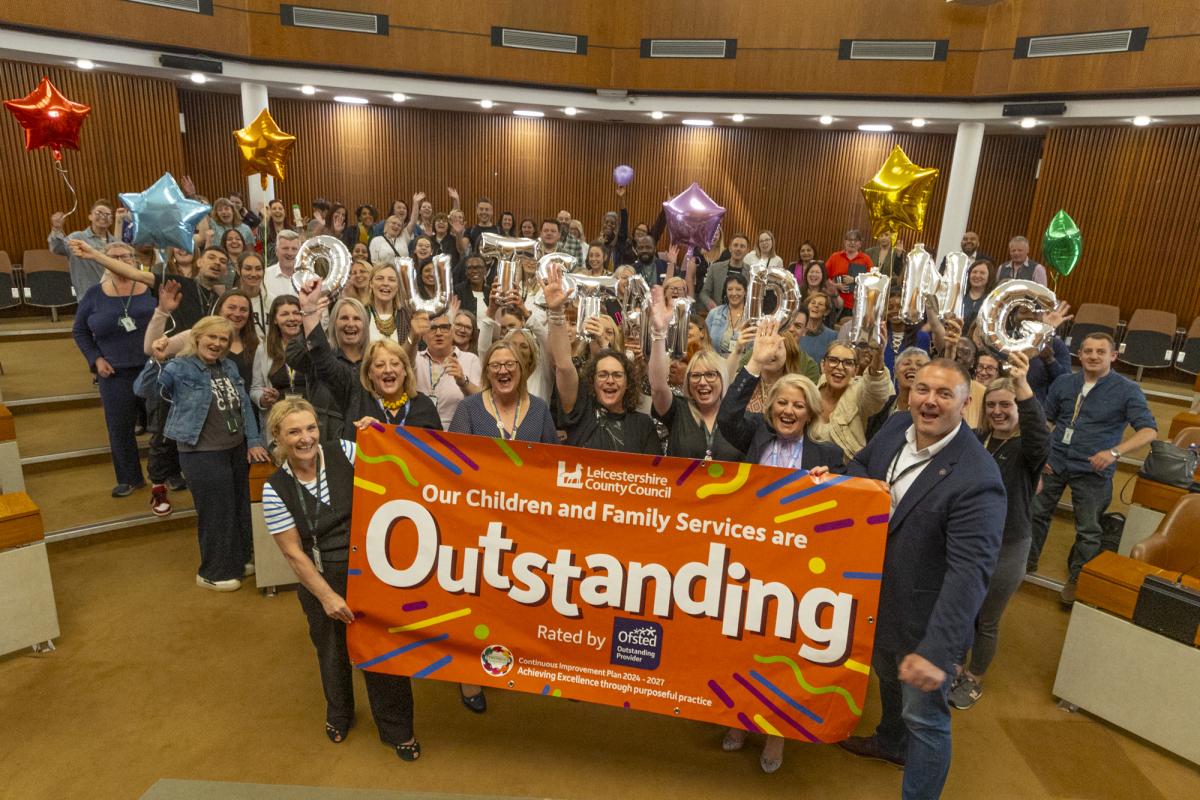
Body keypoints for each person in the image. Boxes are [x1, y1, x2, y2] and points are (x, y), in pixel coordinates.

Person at [835, 358, 1006, 799]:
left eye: (944, 394)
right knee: (888, 682)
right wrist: (839, 485)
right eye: (923, 390)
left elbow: (970, 574)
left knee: (926, 721)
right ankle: (890, 744)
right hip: (877, 602)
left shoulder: (978, 477)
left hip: (926, 625)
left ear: (966, 404)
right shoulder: (894, 427)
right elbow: (861, 467)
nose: (930, 401)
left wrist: (937, 651)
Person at [262, 398, 420, 760]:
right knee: (332, 651)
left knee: (384, 650)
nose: (306, 438)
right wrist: (327, 597)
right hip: (321, 574)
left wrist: (378, 434)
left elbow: (392, 465)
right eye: (295, 432)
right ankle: (340, 714)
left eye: (311, 428)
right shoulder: (274, 489)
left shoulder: (344, 450)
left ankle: (397, 729)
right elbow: (293, 554)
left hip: (370, 569)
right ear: (279, 438)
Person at [717, 318, 843, 773]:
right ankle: (737, 721)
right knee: (741, 646)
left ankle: (776, 736)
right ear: (771, 411)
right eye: (782, 404)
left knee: (783, 656)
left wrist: (831, 490)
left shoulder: (828, 459)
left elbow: (848, 511)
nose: (789, 411)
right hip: (748, 564)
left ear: (810, 412)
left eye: (798, 405)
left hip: (796, 575)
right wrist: (752, 364)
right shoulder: (755, 437)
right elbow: (728, 416)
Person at [950, 352, 1049, 710]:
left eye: (1006, 404)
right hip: (972, 541)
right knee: (963, 608)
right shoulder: (979, 440)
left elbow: (1040, 435)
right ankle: (956, 666)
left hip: (1009, 544)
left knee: (987, 618)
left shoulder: (1028, 449)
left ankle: (974, 678)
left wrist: (1023, 387)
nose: (997, 411)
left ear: (1018, 407)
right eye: (991, 404)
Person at [1027, 333, 1158, 601]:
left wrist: (1115, 452)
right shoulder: (1064, 382)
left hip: (1093, 469)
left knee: (1088, 529)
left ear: (1113, 356)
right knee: (1035, 514)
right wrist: (1042, 456)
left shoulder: (1127, 389)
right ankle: (1026, 563)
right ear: (1080, 354)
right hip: (1055, 461)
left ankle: (1078, 580)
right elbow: (1046, 423)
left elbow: (1149, 431)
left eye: (1100, 351)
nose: (1093, 356)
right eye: (1088, 351)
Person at [155, 316, 270, 590]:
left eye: (223, 340)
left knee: (238, 510)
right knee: (216, 513)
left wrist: (253, 440)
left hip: (235, 448)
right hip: (201, 452)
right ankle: (214, 572)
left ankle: (238, 560)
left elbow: (243, 406)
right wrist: (156, 361)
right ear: (197, 338)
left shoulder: (228, 366)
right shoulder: (180, 367)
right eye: (212, 337)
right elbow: (144, 389)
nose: (217, 344)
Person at [295, 279, 441, 438]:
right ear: (369, 372)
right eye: (379, 365)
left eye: (394, 364)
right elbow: (323, 360)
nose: (388, 370)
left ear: (405, 370)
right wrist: (309, 311)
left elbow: (438, 456)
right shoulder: (355, 394)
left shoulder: (424, 406)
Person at [544, 264, 659, 454]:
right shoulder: (579, 410)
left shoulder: (643, 425)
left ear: (628, 382)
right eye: (603, 375)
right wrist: (556, 312)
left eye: (617, 375)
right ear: (592, 380)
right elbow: (564, 366)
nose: (610, 381)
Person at [72, 241, 157, 497]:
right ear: (103, 262)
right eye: (114, 257)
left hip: (153, 368)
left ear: (134, 260)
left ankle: (166, 474)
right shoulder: (94, 295)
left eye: (126, 256)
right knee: (119, 429)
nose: (121, 260)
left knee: (161, 426)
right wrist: (95, 359)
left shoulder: (150, 288)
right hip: (114, 373)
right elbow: (80, 330)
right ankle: (130, 478)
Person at [811, 340, 893, 460]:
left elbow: (876, 392)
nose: (840, 367)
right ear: (823, 365)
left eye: (848, 363)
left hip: (847, 471)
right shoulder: (809, 395)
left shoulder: (859, 393)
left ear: (855, 370)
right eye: (833, 360)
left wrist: (878, 357)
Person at [412, 309, 482, 429]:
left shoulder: (470, 360)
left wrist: (463, 382)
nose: (438, 333)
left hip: (457, 433)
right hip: (419, 432)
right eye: (432, 328)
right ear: (423, 335)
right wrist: (412, 337)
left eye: (444, 327)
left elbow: (482, 402)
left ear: (452, 332)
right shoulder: (416, 359)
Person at [49, 200, 117, 298]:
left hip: (114, 295)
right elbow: (57, 248)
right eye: (99, 212)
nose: (103, 216)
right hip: (87, 297)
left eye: (107, 214)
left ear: (111, 220)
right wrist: (56, 228)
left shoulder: (116, 243)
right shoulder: (77, 237)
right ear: (90, 216)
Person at [865, 347, 930, 442]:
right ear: (895, 372)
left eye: (920, 365)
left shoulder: (929, 411)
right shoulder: (882, 406)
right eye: (907, 363)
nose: (913, 367)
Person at [825, 229, 873, 315]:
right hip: (834, 302)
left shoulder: (866, 259)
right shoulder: (835, 257)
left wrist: (855, 280)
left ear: (860, 244)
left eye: (856, 240)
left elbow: (872, 280)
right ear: (844, 242)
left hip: (856, 305)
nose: (852, 243)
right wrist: (835, 286)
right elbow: (824, 276)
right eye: (849, 240)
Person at [699, 233, 751, 310]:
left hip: (741, 316)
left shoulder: (751, 272)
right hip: (718, 314)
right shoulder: (715, 268)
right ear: (730, 248)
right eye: (735, 245)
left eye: (742, 246)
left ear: (747, 250)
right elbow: (704, 293)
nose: (738, 249)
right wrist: (709, 303)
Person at [366, 262, 411, 344]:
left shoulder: (407, 316)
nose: (386, 283)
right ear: (371, 284)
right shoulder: (361, 314)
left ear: (397, 286)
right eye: (380, 278)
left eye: (391, 280)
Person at [706, 273, 749, 356]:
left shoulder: (752, 317)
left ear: (745, 291)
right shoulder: (714, 313)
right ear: (725, 291)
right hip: (716, 364)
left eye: (738, 289)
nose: (733, 293)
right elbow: (704, 342)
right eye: (730, 289)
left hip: (743, 365)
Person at [235, 252, 272, 340]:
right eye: (248, 269)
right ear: (238, 270)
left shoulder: (272, 301)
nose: (253, 274)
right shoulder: (227, 301)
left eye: (258, 269)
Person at [798, 292, 839, 363]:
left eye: (820, 304)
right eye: (813, 303)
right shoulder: (797, 330)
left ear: (826, 312)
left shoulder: (832, 336)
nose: (816, 306)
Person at [959, 259, 996, 333]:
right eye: (974, 272)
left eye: (982, 273)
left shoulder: (992, 300)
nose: (977, 275)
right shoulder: (959, 296)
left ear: (989, 276)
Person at [264, 230, 303, 299]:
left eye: (294, 249)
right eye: (285, 248)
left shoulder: (309, 277)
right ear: (276, 251)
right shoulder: (265, 276)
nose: (290, 253)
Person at [258, 199, 295, 264]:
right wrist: (266, 217)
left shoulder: (292, 230)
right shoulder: (263, 229)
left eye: (280, 209)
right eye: (274, 209)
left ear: (284, 212)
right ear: (270, 212)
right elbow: (261, 241)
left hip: (290, 267)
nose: (277, 211)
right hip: (270, 268)